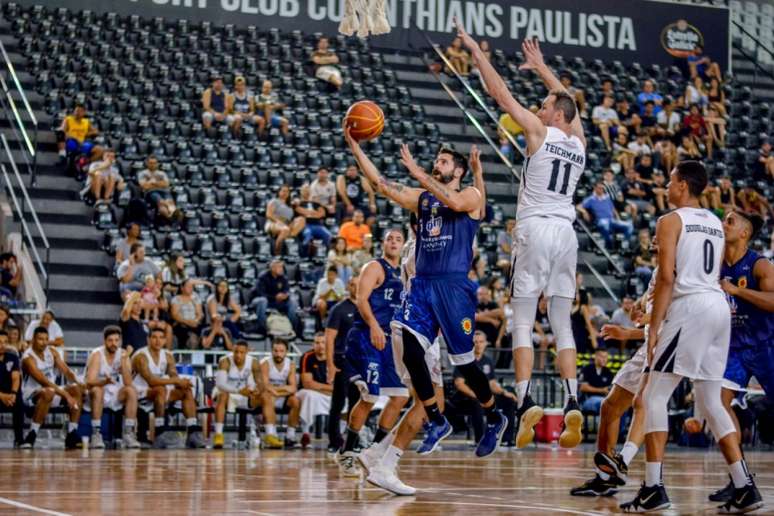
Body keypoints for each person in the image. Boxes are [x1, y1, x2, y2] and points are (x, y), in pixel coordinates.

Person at [347, 74, 506, 464]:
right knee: (409, 345)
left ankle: (494, 412)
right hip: (422, 286)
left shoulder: (469, 195)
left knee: (465, 367)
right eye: (436, 160)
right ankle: (437, 419)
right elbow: (382, 184)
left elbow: (452, 201)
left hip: (453, 287)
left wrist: (419, 174)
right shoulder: (422, 199)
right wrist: (354, 146)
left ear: (459, 171)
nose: (438, 164)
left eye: (444, 161)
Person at [459, 27, 585, 450]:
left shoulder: (539, 131)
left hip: (535, 229)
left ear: (556, 116)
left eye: (546, 105)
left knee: (523, 320)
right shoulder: (579, 143)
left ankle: (527, 397)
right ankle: (572, 400)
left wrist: (478, 53)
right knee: (563, 323)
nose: (541, 106)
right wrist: (544, 69)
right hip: (567, 234)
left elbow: (500, 96)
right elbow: (568, 99)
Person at [620, 161, 763, 513]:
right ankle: (745, 486)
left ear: (682, 185)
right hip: (719, 308)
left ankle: (653, 487)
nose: (667, 187)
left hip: (691, 308)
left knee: (654, 395)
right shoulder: (715, 222)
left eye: (670, 181)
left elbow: (667, 278)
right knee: (712, 400)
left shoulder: (670, 220)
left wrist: (653, 328)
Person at [362, 215, 446, 495]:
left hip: (416, 327)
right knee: (430, 403)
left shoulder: (418, 246)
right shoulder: (423, 248)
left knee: (425, 401)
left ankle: (377, 453)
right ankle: (386, 466)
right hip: (419, 328)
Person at [571, 262, 655, 497]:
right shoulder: (657, 274)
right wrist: (630, 331)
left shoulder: (680, 269)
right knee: (610, 406)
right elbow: (653, 323)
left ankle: (627, 466)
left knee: (643, 403)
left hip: (670, 345)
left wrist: (643, 319)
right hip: (650, 343)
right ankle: (605, 476)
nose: (655, 238)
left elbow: (670, 320)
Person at [709, 211, 773, 504]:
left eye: (731, 221)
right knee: (718, 405)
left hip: (766, 344)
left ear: (745, 233)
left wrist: (737, 291)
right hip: (733, 348)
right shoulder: (715, 265)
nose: (724, 223)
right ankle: (739, 478)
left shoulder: (759, 264)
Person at [336, 229, 410, 475]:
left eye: (398, 239)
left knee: (400, 396)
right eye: (389, 238)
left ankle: (374, 451)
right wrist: (375, 326)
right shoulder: (374, 267)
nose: (393, 241)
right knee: (369, 396)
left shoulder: (406, 274)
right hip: (367, 336)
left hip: (390, 341)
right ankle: (346, 452)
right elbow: (361, 298)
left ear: (404, 246)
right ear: (383, 243)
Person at [132, 327, 207, 448]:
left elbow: (173, 375)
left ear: (165, 340)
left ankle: (192, 432)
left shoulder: (167, 355)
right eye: (154, 337)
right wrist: (176, 380)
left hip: (158, 391)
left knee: (186, 391)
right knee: (160, 389)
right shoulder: (141, 356)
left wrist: (182, 383)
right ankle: (159, 432)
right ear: (148, 339)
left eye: (161, 338)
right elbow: (151, 381)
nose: (158, 341)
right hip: (138, 391)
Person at [20, 327, 83, 449]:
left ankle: (71, 433)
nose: (44, 342)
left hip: (53, 392)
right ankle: (32, 434)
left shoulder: (52, 352)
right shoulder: (28, 358)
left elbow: (66, 371)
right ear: (33, 339)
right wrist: (66, 395)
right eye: (40, 339)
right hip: (31, 395)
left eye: (46, 339)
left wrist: (80, 382)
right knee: (48, 391)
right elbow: (44, 382)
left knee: (76, 389)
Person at [450, 331, 517, 445]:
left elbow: (492, 384)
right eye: (475, 342)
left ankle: (507, 439)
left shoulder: (488, 361)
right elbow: (459, 384)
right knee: (478, 402)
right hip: (466, 398)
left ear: (486, 343)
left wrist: (504, 392)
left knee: (509, 401)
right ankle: (480, 440)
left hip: (483, 396)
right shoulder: (464, 360)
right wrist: (476, 395)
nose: (478, 344)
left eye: (481, 342)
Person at [212, 340, 281, 449]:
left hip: (245, 394)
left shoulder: (253, 362)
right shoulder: (225, 361)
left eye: (242, 352)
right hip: (227, 393)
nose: (238, 355)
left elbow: (260, 383)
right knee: (222, 394)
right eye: (236, 352)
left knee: (266, 396)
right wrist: (238, 391)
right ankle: (218, 435)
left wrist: (257, 390)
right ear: (233, 351)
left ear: (247, 352)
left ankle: (270, 435)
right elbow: (220, 384)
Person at [84, 326, 141, 449]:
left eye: (116, 340)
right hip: (96, 390)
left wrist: (125, 359)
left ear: (120, 341)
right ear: (104, 341)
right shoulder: (97, 355)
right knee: (98, 391)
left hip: (113, 391)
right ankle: (96, 434)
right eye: (110, 340)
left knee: (131, 391)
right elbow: (89, 382)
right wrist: (104, 382)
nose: (113, 343)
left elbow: (128, 382)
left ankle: (128, 433)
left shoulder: (123, 354)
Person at [324, 275, 360, 453]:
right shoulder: (339, 309)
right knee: (338, 402)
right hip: (342, 359)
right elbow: (329, 338)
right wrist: (330, 364)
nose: (355, 287)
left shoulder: (367, 308)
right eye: (352, 284)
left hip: (360, 361)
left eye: (358, 284)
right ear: (348, 286)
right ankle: (334, 441)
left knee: (357, 402)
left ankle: (353, 441)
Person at [261, 339, 302, 448]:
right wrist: (283, 389)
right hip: (267, 396)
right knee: (268, 397)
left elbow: (293, 387)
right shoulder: (265, 363)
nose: (278, 354)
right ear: (271, 351)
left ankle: (290, 435)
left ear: (286, 352)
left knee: (295, 401)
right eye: (276, 351)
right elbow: (265, 386)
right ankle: (271, 434)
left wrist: (277, 390)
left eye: (281, 351)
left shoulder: (290, 364)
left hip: (280, 395)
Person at [297, 332, 332, 448]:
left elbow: (341, 385)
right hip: (311, 392)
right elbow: (307, 384)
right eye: (317, 343)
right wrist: (329, 389)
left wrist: (321, 388)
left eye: (323, 342)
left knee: (345, 399)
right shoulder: (307, 356)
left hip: (328, 393)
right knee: (309, 395)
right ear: (313, 344)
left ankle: (339, 435)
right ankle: (306, 433)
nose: (320, 345)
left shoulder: (335, 357)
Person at [249, 259, 300, 334]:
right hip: (259, 301)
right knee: (263, 300)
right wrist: (275, 297)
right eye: (279, 267)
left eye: (282, 267)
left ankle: (292, 327)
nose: (282, 269)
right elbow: (260, 293)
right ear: (272, 268)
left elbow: (287, 290)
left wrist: (285, 295)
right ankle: (263, 328)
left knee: (293, 301)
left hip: (277, 302)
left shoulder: (283, 278)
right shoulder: (263, 277)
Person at [577, 182, 633, 248]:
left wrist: (618, 217)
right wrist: (584, 212)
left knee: (629, 225)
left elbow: (613, 209)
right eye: (599, 188)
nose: (601, 189)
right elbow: (578, 206)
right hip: (601, 220)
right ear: (595, 188)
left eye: (602, 188)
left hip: (611, 220)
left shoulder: (607, 198)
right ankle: (609, 245)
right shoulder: (591, 199)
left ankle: (624, 243)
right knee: (605, 225)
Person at [137, 155, 180, 223]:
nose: (153, 165)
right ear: (147, 163)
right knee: (161, 202)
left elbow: (166, 184)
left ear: (157, 164)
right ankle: (170, 217)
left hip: (164, 191)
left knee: (170, 202)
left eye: (154, 163)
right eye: (151, 163)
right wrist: (159, 184)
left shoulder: (162, 173)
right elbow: (144, 186)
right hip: (150, 192)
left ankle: (170, 216)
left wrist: (152, 183)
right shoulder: (142, 173)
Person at [265, 184, 305, 255]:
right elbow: (269, 214)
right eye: (283, 191)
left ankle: (288, 236)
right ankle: (277, 252)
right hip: (274, 223)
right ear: (279, 192)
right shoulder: (274, 201)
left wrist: (297, 202)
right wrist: (279, 222)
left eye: (287, 191)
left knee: (301, 219)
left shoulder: (290, 205)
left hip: (287, 224)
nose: (285, 193)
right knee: (285, 229)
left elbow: (303, 208)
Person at [0, 329, 23, 446]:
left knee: (19, 401)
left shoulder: (12, 357)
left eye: (5, 342)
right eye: (0, 342)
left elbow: (16, 378)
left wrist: (13, 394)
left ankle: (19, 439)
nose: (2, 345)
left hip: (9, 394)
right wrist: (1, 396)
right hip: (1, 395)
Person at [293, 183, 332, 253]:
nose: (307, 192)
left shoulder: (315, 203)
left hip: (318, 225)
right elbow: (299, 210)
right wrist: (313, 212)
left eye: (308, 190)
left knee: (328, 235)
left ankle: (325, 255)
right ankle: (304, 256)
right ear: (301, 191)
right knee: (308, 236)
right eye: (305, 190)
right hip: (306, 225)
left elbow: (322, 213)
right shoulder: (298, 202)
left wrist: (309, 213)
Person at [170, 279, 204, 349]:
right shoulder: (176, 299)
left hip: (194, 324)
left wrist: (196, 321)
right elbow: (174, 315)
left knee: (195, 338)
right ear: (182, 288)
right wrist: (187, 322)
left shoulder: (196, 299)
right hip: (181, 324)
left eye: (192, 287)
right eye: (188, 286)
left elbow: (200, 313)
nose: (190, 288)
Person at [578, 348, 613, 414]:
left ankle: (622, 424)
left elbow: (610, 388)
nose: (604, 359)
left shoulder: (608, 372)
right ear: (596, 357)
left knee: (620, 405)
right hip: (588, 399)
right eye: (602, 357)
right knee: (605, 403)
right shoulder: (587, 369)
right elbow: (583, 387)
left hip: (604, 398)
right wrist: (602, 390)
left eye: (606, 357)